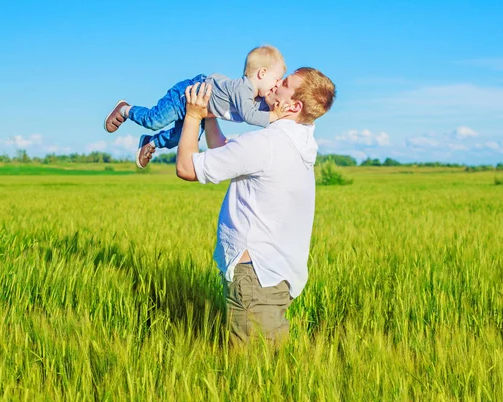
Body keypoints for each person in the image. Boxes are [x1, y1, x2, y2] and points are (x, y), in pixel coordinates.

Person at [175, 67, 336, 346]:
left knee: (252, 371)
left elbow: (187, 168)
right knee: (271, 368)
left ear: (294, 105)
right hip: (276, 274)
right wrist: (209, 117)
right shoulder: (300, 140)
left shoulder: (267, 143)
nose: (274, 84)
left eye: (283, 84)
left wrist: (192, 115)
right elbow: (224, 151)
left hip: (255, 276)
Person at [103, 45, 289, 168]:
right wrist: (275, 115)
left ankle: (149, 142)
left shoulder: (256, 98)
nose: (276, 84)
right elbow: (251, 116)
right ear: (262, 73)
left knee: (178, 138)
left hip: (200, 111)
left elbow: (262, 110)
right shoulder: (243, 88)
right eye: (276, 79)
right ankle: (125, 109)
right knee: (154, 120)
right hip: (187, 94)